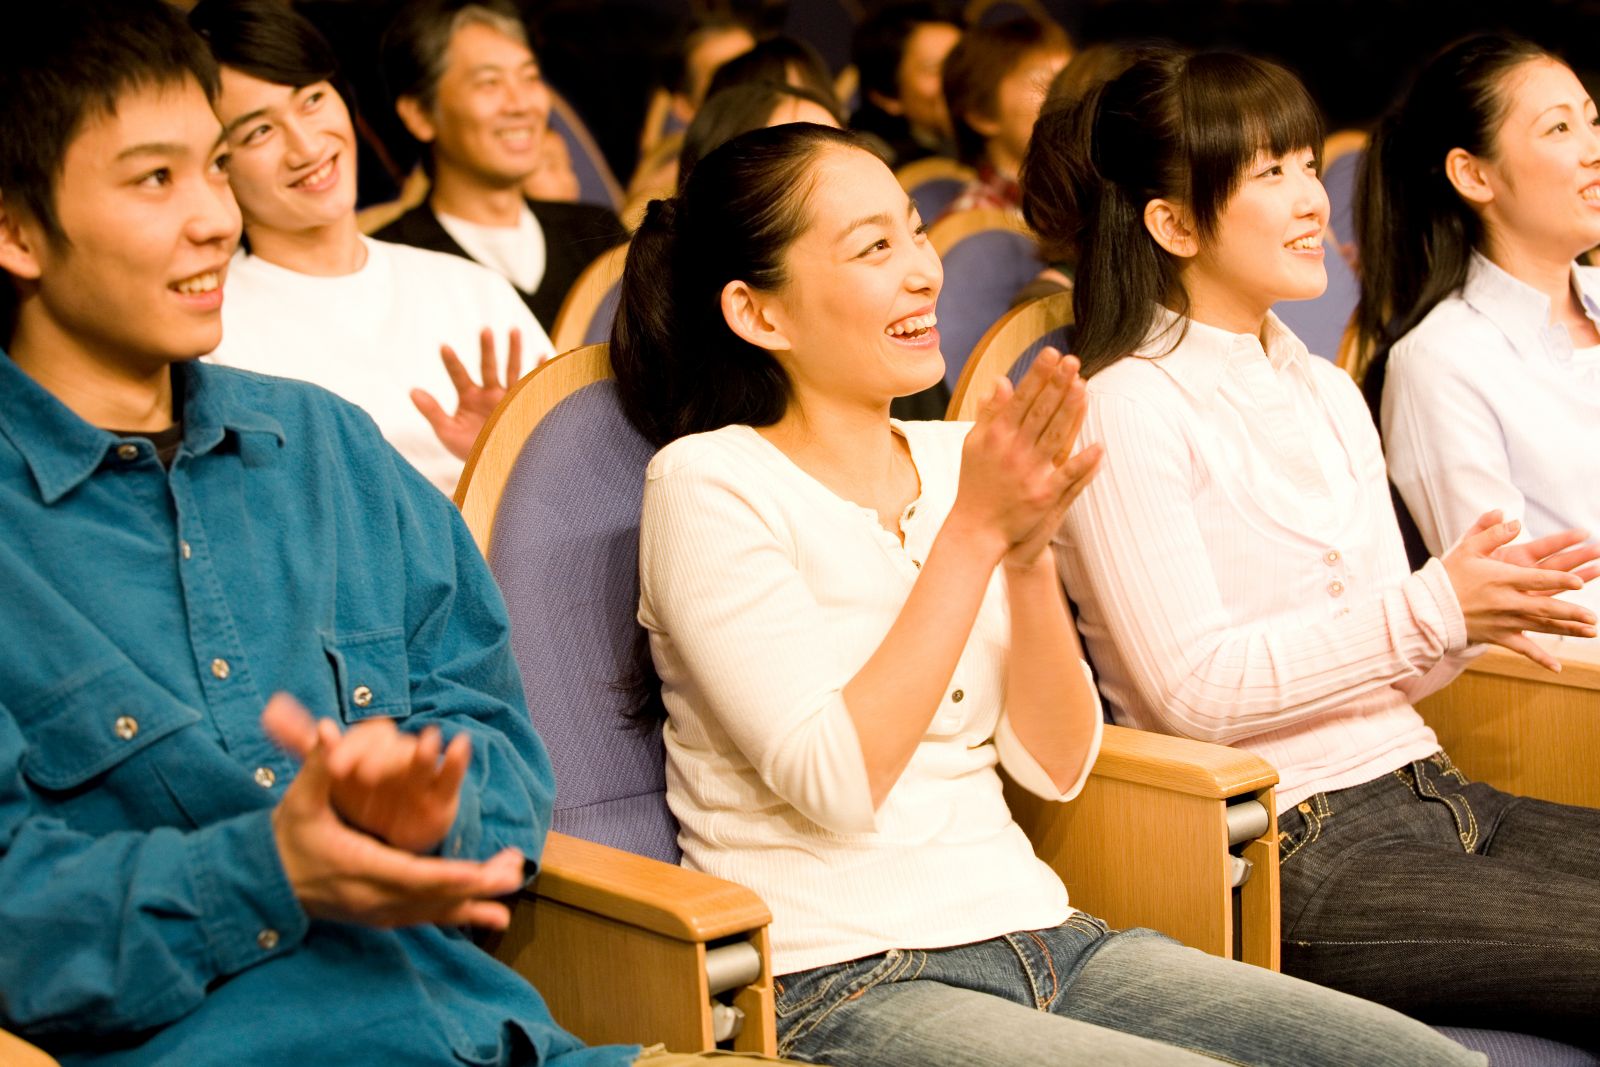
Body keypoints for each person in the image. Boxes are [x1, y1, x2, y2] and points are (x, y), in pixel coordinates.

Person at [0, 4, 786, 1065]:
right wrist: (270, 867)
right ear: (16, 230)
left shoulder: (326, 448)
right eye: (154, 180)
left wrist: (425, 815)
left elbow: (497, 741)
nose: (214, 221)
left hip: (498, 1032)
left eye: (211, 170)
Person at [608, 121, 1484, 1067]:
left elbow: (1056, 764)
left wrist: (1025, 558)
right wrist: (977, 534)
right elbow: (836, 781)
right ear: (758, 313)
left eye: (913, 231)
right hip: (841, 972)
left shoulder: (954, 458)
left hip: (1045, 930)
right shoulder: (706, 485)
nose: (923, 271)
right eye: (874, 248)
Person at [1032, 46, 1600, 1043]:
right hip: (1293, 843)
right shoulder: (1124, 407)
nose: (1310, 202)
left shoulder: (1326, 387)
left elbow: (1405, 666)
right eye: (1269, 175)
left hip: (1431, 786)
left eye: (1304, 164)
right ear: (1169, 222)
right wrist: (1434, 607)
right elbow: (1192, 693)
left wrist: (1474, 613)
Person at [190, 0, 550, 494]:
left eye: (312, 100)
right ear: (216, 165)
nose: (308, 146)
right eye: (260, 130)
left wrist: (511, 458)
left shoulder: (472, 287)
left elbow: (583, 488)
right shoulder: (212, 333)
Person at [1356, 35, 1600, 620]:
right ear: (1472, 175)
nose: (1594, 149)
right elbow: (1517, 602)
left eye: (1593, 121)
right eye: (1559, 130)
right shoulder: (1439, 361)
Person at [376, 0, 627, 330]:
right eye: (490, 83)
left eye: (529, 77)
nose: (521, 104)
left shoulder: (596, 235)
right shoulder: (391, 263)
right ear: (420, 114)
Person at [940, 16, 1070, 217]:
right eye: (1050, 84)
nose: (1071, 96)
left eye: (1072, 78)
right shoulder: (974, 223)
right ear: (981, 115)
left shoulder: (1070, 198)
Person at [848, 0, 962, 167]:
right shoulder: (867, 162)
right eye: (934, 69)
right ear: (886, 95)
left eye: (961, 62)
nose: (957, 77)